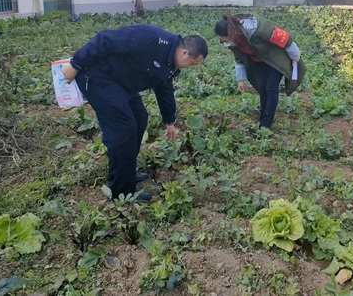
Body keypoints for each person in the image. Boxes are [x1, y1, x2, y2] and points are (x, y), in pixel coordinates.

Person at [62, 24, 208, 201]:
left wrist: (170, 121)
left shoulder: (171, 62)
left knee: (139, 118)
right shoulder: (150, 38)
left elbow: (165, 89)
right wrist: (76, 64)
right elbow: (104, 39)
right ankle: (120, 191)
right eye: (192, 63)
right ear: (184, 53)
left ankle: (126, 172)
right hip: (98, 77)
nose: (190, 67)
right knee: (123, 128)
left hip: (120, 82)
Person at [215, 14, 305, 129]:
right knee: (262, 87)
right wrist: (241, 79)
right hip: (259, 61)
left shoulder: (257, 29)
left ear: (232, 34)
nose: (225, 43)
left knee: (271, 88)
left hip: (275, 58)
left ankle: (266, 123)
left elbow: (286, 39)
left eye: (225, 40)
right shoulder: (233, 41)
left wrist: (295, 57)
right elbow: (239, 58)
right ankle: (262, 117)